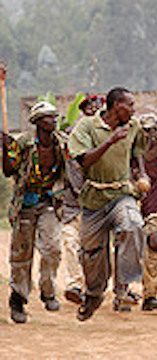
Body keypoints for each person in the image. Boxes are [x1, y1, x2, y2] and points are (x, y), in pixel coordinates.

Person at [68, 87, 149, 321]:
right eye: (129, 105)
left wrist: (142, 174)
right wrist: (111, 141)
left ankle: (124, 287)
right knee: (91, 254)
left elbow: (137, 150)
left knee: (133, 225)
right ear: (115, 106)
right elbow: (84, 160)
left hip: (122, 193)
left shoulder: (133, 126)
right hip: (93, 199)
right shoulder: (86, 126)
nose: (133, 110)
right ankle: (93, 295)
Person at [2, 101, 65, 323]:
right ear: (37, 122)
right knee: (21, 254)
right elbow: (9, 170)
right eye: (49, 117)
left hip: (49, 201)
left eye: (55, 117)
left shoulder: (61, 143)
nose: (53, 121)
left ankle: (48, 291)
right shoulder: (24, 143)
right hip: (25, 205)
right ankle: (18, 299)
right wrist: (6, 149)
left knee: (52, 248)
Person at [133, 113, 157, 311]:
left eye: (154, 130)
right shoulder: (129, 150)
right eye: (146, 130)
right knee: (127, 246)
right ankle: (122, 292)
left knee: (154, 243)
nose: (150, 134)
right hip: (130, 202)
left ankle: (150, 295)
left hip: (155, 202)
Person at [58, 126, 86, 305]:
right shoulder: (62, 158)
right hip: (69, 209)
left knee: (92, 252)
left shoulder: (93, 155)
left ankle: (93, 288)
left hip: (92, 210)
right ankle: (74, 285)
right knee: (70, 244)